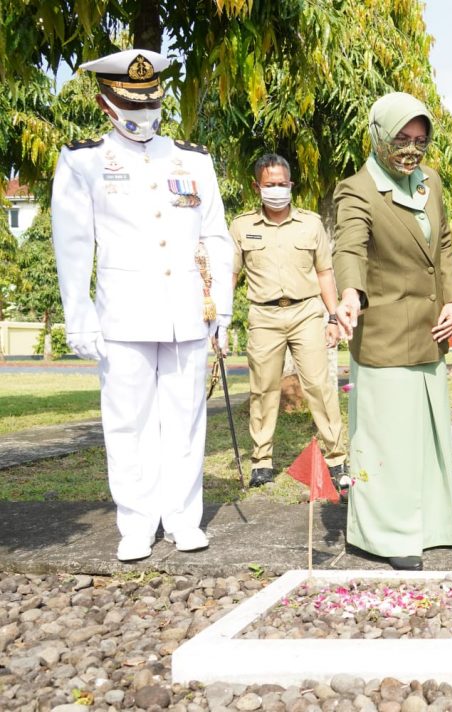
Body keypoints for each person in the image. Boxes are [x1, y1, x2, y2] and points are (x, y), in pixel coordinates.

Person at [51, 49, 233, 561]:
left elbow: (216, 236)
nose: (143, 114)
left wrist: (221, 306)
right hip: (123, 313)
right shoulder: (83, 160)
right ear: (105, 102)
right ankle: (135, 521)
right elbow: (72, 244)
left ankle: (183, 518)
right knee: (127, 420)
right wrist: (78, 315)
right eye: (131, 104)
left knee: (185, 417)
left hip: (187, 312)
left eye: (150, 103)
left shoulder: (192, 159)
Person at [333, 92, 452, 571]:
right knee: (387, 439)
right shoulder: (356, 190)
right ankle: (385, 536)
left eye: (420, 140)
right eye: (401, 139)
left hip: (430, 331)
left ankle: (430, 527)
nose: (411, 149)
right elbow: (349, 249)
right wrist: (350, 295)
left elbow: (444, 245)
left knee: (427, 437)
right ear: (378, 135)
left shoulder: (430, 180)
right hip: (384, 334)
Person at [230, 154, 348, 490]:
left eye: (282, 184)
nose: (277, 190)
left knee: (319, 385)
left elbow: (325, 272)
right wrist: (218, 320)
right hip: (264, 315)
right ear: (257, 187)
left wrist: (333, 316)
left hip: (306, 312)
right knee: (263, 388)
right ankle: (262, 462)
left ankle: (336, 459)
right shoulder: (242, 226)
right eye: (270, 185)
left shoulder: (310, 224)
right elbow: (230, 275)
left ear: (291, 185)